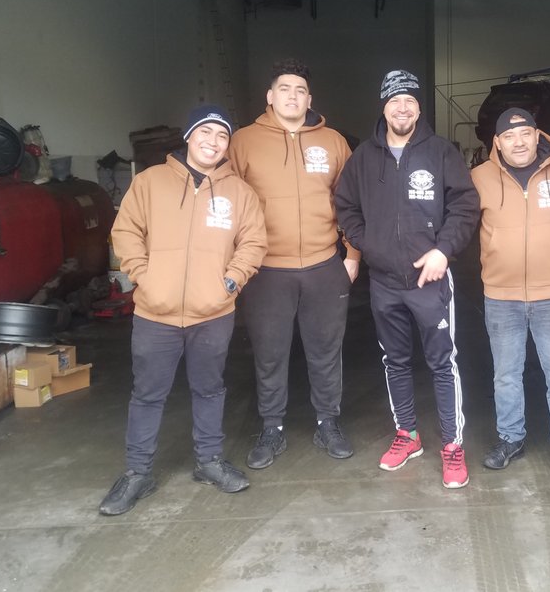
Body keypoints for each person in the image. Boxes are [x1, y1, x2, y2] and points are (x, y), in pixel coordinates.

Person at [99, 103, 267, 516]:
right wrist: (144, 275)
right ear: (189, 136)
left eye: (222, 136)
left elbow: (253, 243)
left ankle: (209, 461)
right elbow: (126, 231)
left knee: (210, 389)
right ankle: (138, 473)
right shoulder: (150, 182)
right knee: (147, 394)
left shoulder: (239, 192)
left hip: (213, 312)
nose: (213, 141)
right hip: (155, 313)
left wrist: (231, 281)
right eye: (206, 132)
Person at [334, 70, 480, 489]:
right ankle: (407, 434)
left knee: (442, 363)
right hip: (384, 281)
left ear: (419, 108)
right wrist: (369, 245)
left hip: (430, 280)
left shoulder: (441, 152)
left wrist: (443, 250)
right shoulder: (364, 157)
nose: (402, 108)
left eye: (410, 101)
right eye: (395, 100)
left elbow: (465, 206)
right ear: (384, 107)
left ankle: (452, 445)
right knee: (394, 361)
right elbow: (345, 205)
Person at [228, 59, 358, 469]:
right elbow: (226, 202)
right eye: (284, 89)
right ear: (270, 96)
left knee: (326, 351)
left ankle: (328, 422)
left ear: (309, 99)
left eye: (300, 90)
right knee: (270, 353)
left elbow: (352, 202)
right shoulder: (243, 142)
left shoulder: (333, 141)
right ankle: (272, 427)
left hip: (324, 265)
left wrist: (352, 256)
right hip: (266, 268)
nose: (292, 96)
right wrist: (234, 264)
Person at [471, 107, 550, 486]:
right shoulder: (479, 177)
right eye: (509, 136)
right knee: (506, 375)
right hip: (501, 295)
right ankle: (511, 438)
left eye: (525, 134)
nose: (518, 142)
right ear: (497, 142)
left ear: (538, 136)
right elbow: (456, 221)